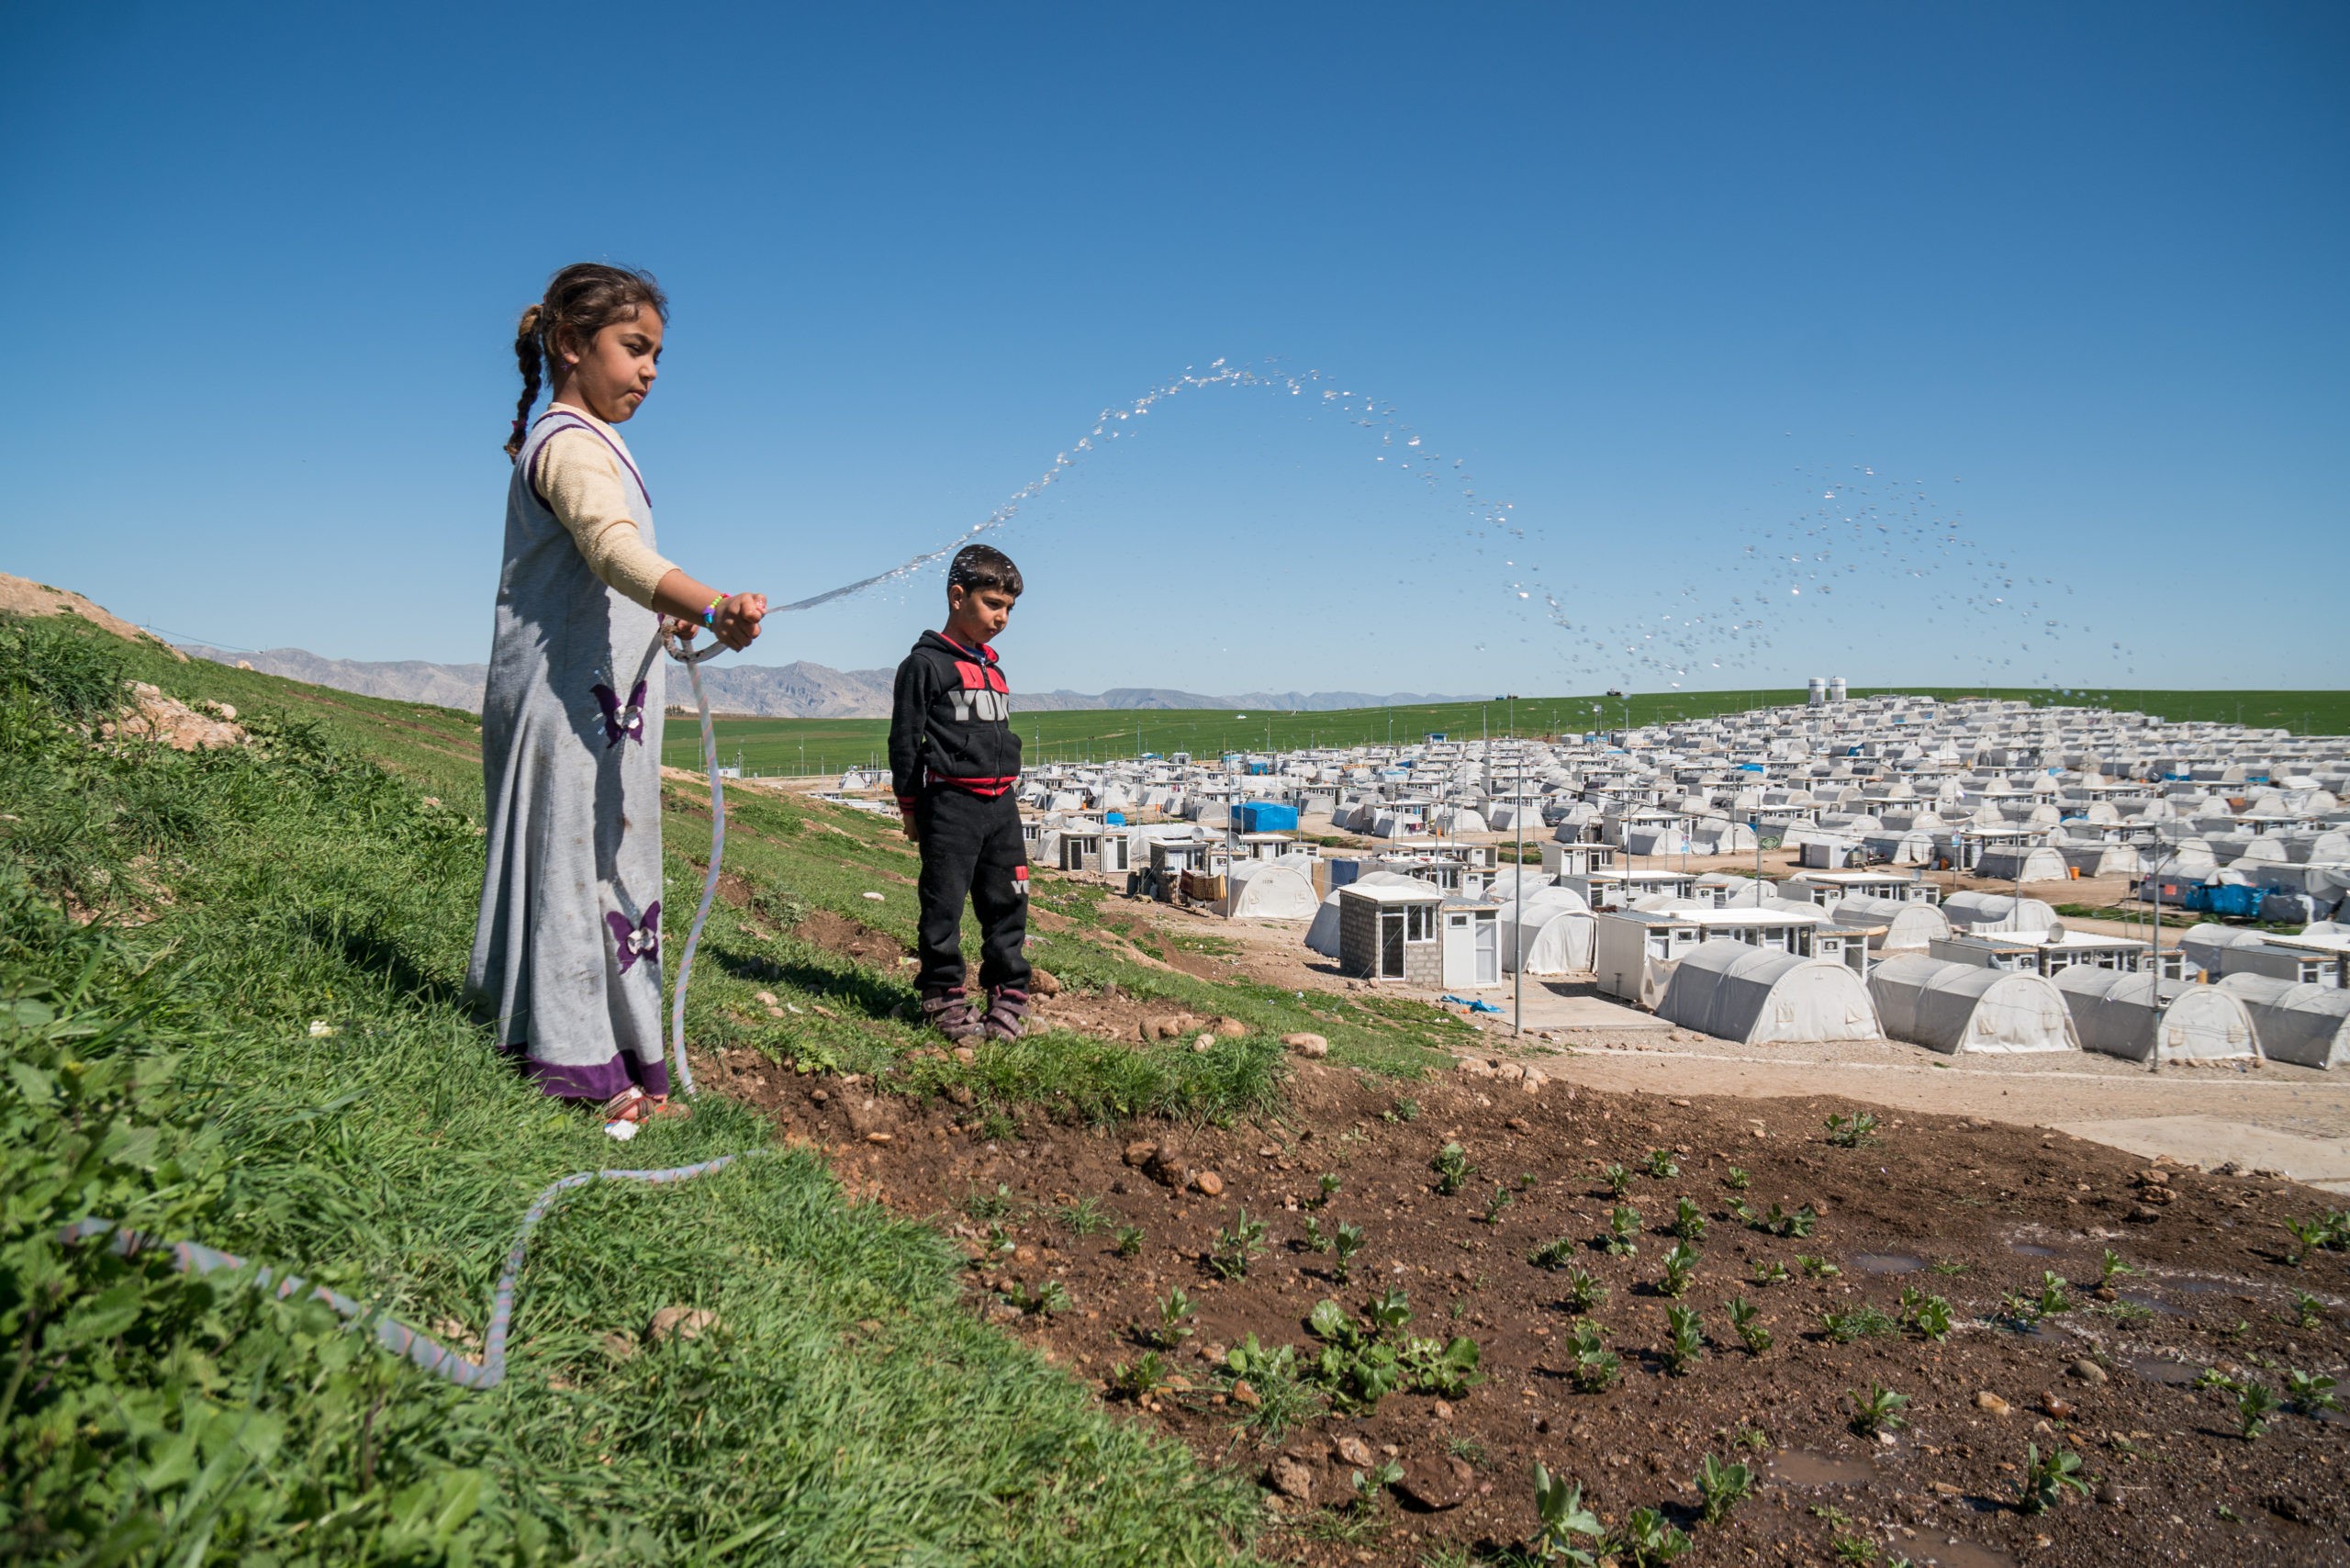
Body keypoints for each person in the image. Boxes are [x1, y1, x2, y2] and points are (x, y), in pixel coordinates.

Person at [466, 263, 767, 1124]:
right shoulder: (566, 443)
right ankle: (579, 1076)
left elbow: (603, 582)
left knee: (611, 871)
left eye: (658, 356)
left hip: (600, 711)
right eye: (635, 349)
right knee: (573, 870)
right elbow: (610, 551)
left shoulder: (593, 442)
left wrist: (663, 628)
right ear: (571, 344)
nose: (651, 371)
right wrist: (708, 603)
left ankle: (618, 1055)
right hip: (563, 710)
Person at [889, 545, 1031, 1043]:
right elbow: (904, 743)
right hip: (951, 806)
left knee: (1009, 901)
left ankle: (1010, 993)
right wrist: (911, 809)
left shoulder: (996, 670)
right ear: (957, 596)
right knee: (943, 906)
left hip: (1002, 807)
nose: (1003, 618)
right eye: (993, 603)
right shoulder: (924, 665)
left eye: (1010, 608)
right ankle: (943, 995)